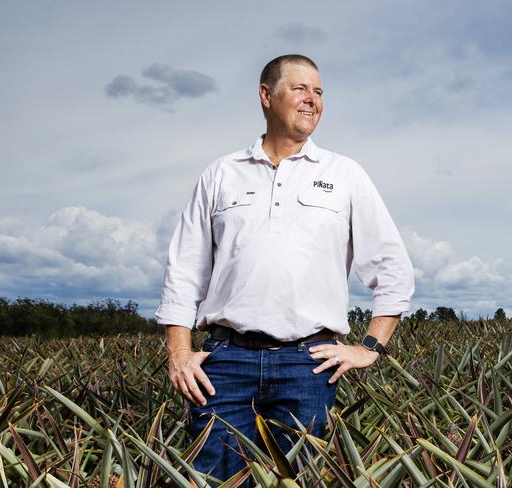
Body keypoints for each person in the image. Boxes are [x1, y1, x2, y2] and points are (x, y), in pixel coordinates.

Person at [155, 54, 414, 484]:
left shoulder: (345, 174)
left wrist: (370, 347)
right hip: (225, 363)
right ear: (266, 95)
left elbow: (393, 268)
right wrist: (179, 354)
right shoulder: (221, 174)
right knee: (213, 480)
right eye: (300, 88)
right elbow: (183, 271)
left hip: (307, 364)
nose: (313, 100)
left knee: (302, 480)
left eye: (319, 92)